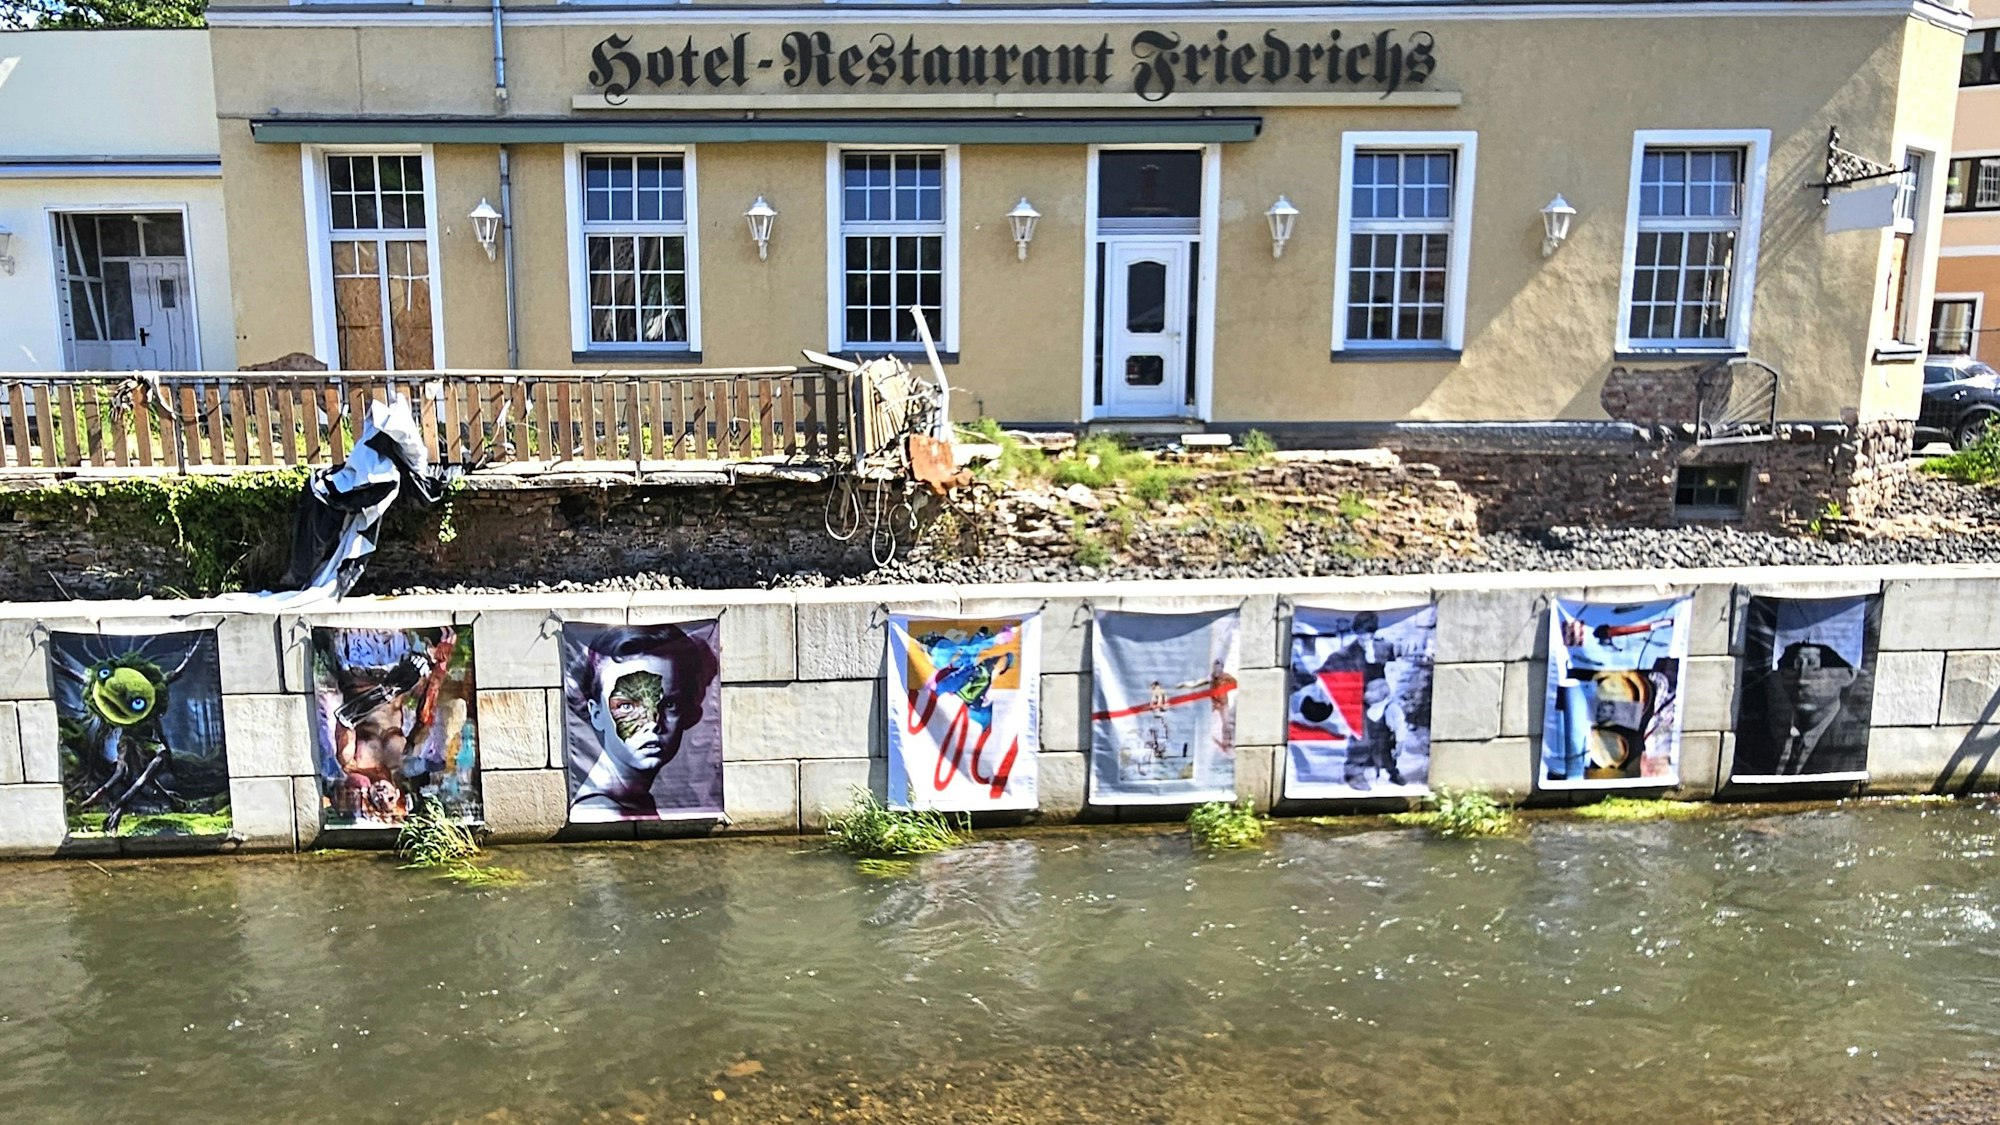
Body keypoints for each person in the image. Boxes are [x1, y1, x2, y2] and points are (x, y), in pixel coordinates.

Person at [566, 625, 719, 819]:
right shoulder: (603, 811)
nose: (652, 722)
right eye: (628, 706)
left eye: (669, 704)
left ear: (689, 711)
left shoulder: (630, 800)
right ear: (596, 714)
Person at [1762, 640, 1868, 775]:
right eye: (1797, 664)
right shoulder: (1765, 732)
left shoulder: (1854, 742)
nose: (1802, 678)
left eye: (1814, 666)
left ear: (1848, 675)